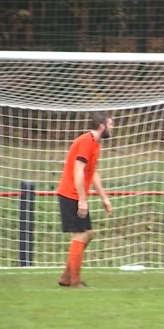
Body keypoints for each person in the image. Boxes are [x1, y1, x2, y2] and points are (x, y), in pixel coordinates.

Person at [57, 112, 114, 288]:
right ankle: (74, 281)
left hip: (76, 194)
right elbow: (78, 170)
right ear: (102, 126)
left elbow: (93, 173)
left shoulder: (95, 144)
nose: (113, 127)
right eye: (111, 124)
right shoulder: (85, 141)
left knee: (87, 234)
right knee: (82, 234)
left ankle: (67, 277)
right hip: (70, 194)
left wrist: (104, 198)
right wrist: (82, 200)